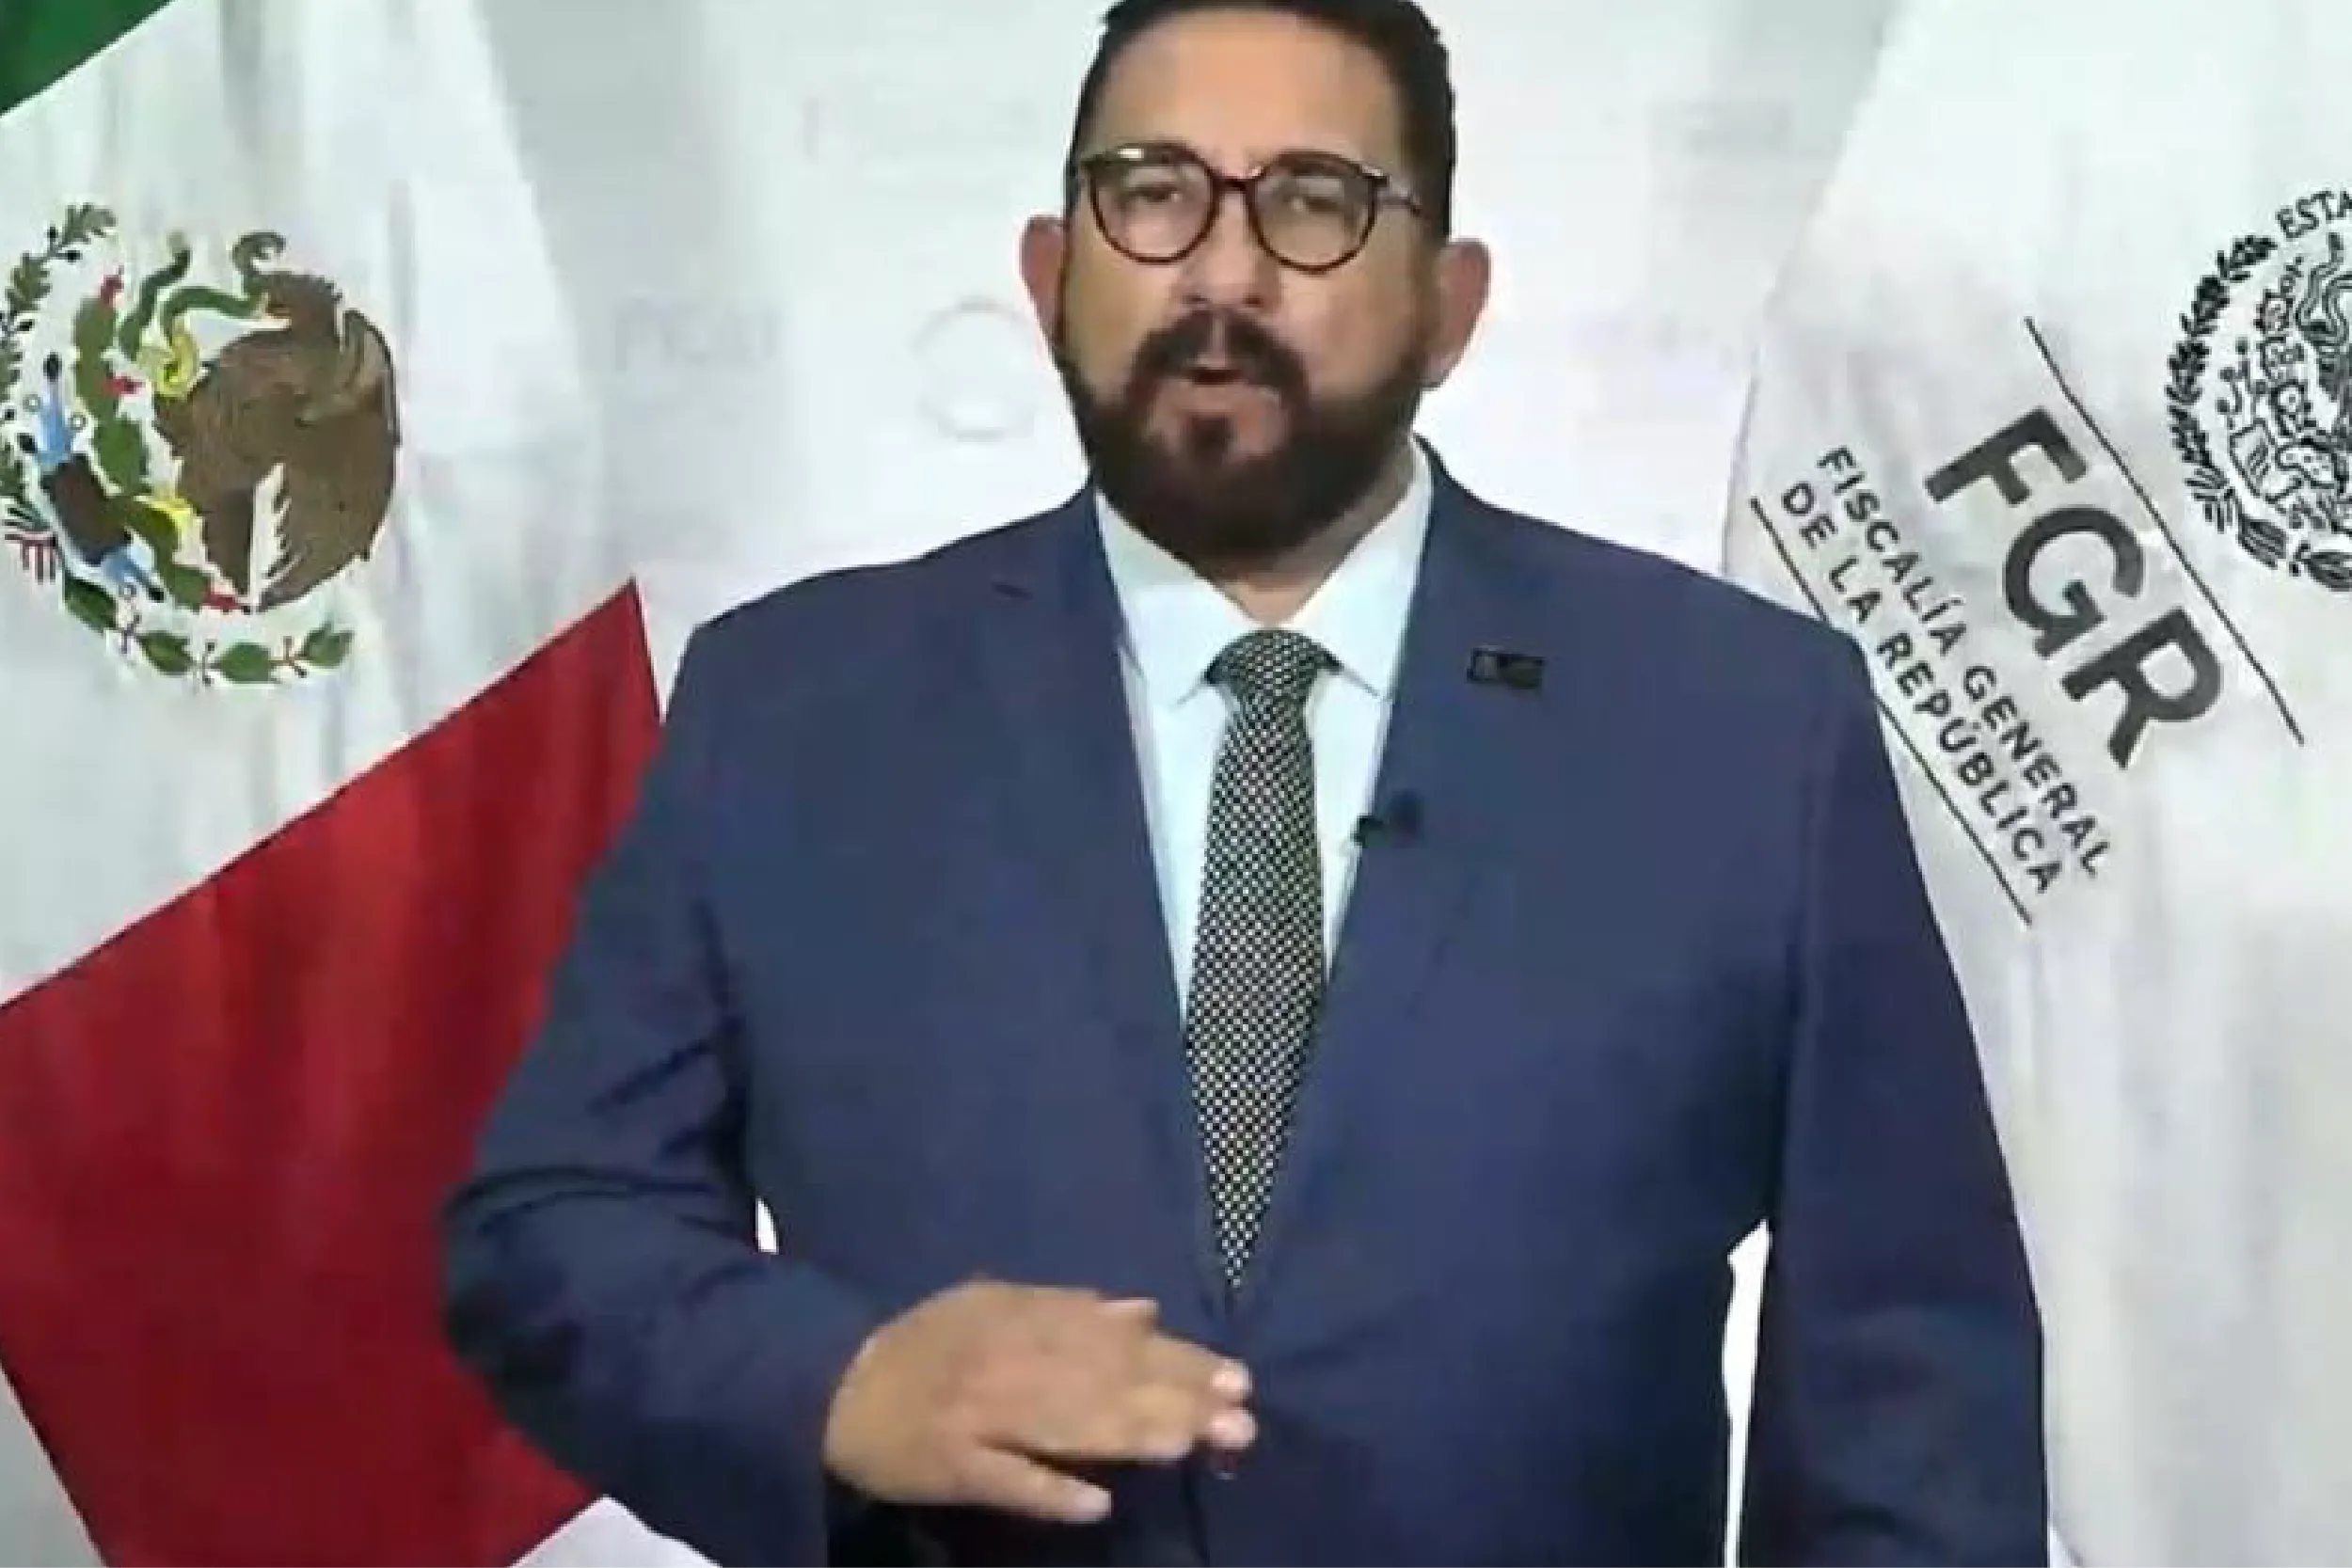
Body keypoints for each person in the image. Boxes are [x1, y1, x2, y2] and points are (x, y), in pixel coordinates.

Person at [438, 1, 2048, 1564]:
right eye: (1151, 194)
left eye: (1312, 203)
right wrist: (836, 1383)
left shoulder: (1742, 725)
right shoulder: (792, 710)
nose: (1221, 270)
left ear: (1449, 304)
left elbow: (1908, 1390)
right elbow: (556, 1227)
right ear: (1051, 273)